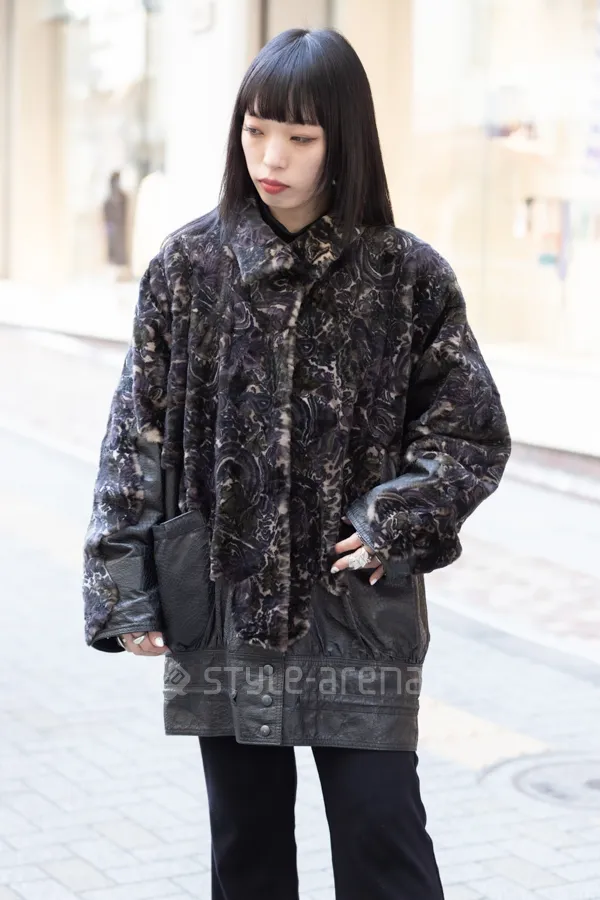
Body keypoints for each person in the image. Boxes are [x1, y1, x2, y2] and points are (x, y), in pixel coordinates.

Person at [83, 27, 511, 900]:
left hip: (356, 608)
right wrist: (124, 586)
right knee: (247, 854)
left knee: (384, 842)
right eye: (255, 130)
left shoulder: (406, 275)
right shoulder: (186, 268)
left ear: (343, 139)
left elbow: (470, 430)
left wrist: (395, 518)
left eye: (300, 137)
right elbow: (135, 434)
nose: (271, 157)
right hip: (223, 603)